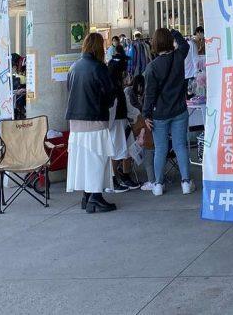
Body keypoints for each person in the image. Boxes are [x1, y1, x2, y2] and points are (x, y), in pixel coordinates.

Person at [66, 33, 119, 213]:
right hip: (95, 120)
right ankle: (96, 197)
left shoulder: (73, 68)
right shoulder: (99, 68)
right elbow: (110, 94)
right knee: (98, 160)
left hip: (75, 123)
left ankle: (86, 196)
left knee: (82, 161)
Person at [143, 27, 193, 197]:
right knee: (180, 146)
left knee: (161, 149)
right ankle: (186, 182)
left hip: (159, 114)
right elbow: (184, 45)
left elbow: (149, 95)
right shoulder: (178, 57)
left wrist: (146, 115)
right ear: (170, 42)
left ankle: (158, 184)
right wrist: (175, 33)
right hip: (179, 110)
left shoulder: (151, 68)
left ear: (155, 44)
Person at [106, 47, 137, 192]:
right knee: (117, 151)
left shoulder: (115, 82)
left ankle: (124, 176)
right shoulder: (112, 85)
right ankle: (113, 181)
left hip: (121, 119)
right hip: (116, 121)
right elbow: (112, 106)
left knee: (127, 149)